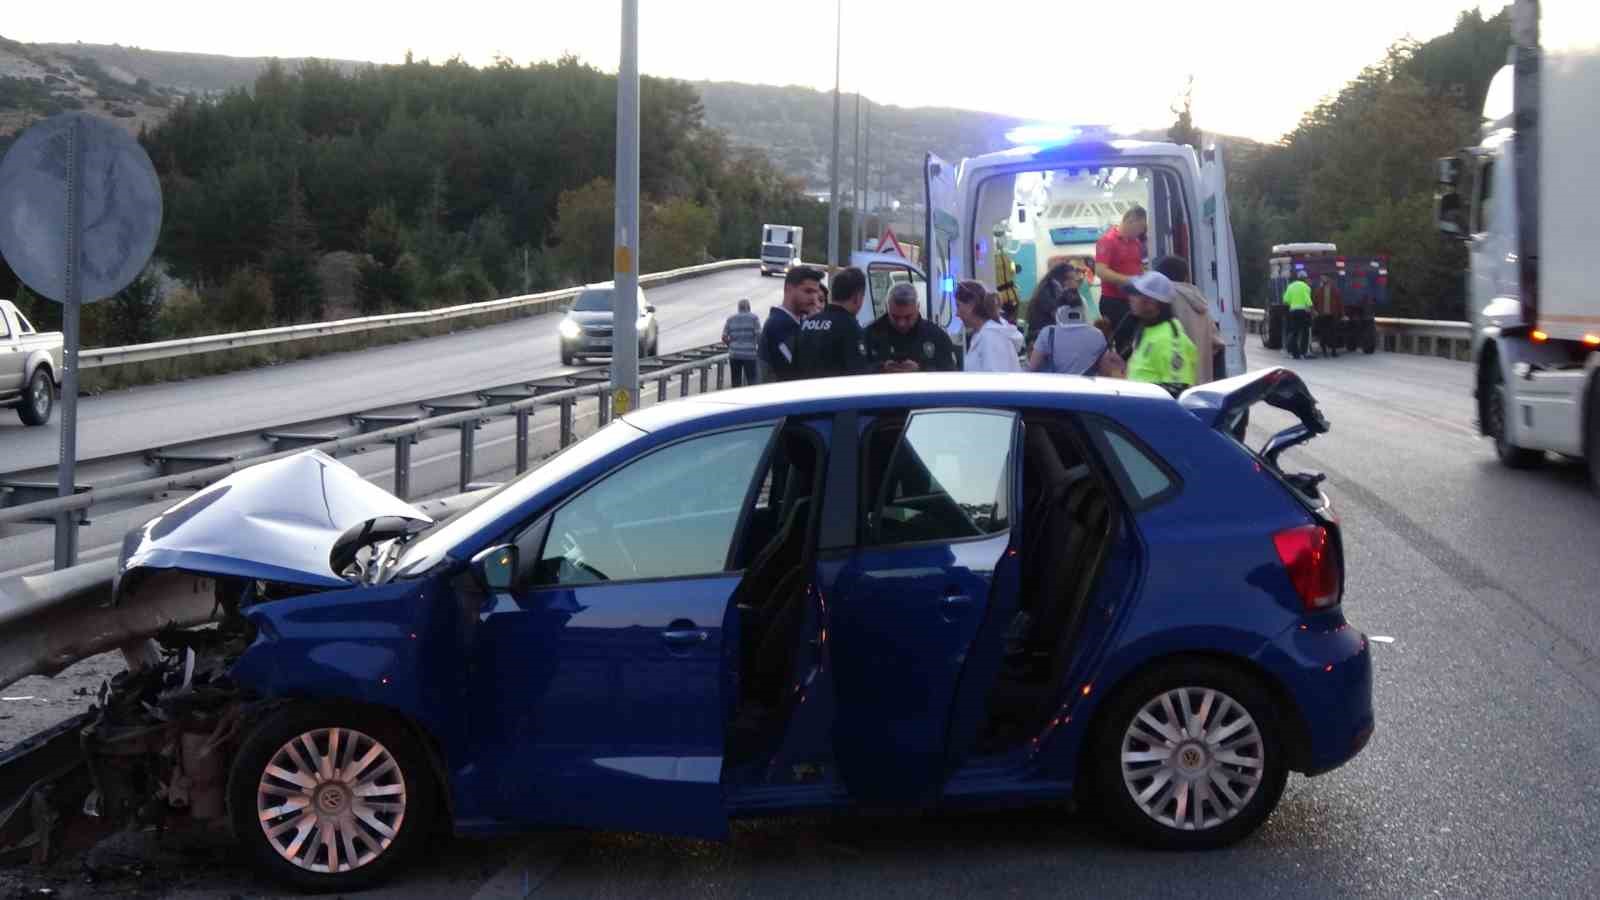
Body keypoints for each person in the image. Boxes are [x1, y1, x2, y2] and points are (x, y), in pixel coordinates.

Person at [1123, 271, 1198, 392]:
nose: (1130, 298)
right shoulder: (1147, 330)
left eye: (1136, 294)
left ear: (1152, 303)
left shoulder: (1170, 339)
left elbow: (1177, 390)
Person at [1153, 255, 1221, 384]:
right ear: (1185, 277)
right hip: (1201, 384)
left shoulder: (1163, 300)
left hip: (1174, 383)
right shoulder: (1201, 302)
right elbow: (1216, 343)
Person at [793, 266, 869, 378]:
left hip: (804, 393)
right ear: (857, 297)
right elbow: (858, 374)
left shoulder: (807, 323)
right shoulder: (850, 328)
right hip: (833, 393)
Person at [865, 282, 959, 373]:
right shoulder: (871, 334)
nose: (901, 323)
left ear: (918, 307)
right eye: (895, 317)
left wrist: (922, 369)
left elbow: (950, 373)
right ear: (887, 307)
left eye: (908, 317)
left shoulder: (936, 336)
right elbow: (856, 370)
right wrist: (880, 369)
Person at [1027, 293, 1124, 377]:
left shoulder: (1048, 333)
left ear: (1058, 311)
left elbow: (1032, 369)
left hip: (1056, 394)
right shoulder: (1097, 335)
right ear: (1083, 309)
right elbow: (1105, 372)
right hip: (1086, 393)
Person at [1095, 206, 1148, 354]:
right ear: (1131, 220)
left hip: (1133, 300)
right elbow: (1101, 271)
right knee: (1124, 346)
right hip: (1114, 302)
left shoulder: (1136, 243)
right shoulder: (1107, 241)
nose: (1142, 231)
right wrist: (1130, 281)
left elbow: (1137, 267)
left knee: (1136, 342)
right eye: (1141, 227)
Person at [759, 266, 823, 382]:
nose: (814, 298)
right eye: (808, 291)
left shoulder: (799, 322)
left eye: (816, 293)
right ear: (788, 289)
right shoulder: (778, 325)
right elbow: (801, 369)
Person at [955, 280, 1024, 372]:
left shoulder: (991, 337)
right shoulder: (984, 334)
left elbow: (995, 381)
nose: (957, 314)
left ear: (971, 305)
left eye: (958, 306)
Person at [1025, 262, 1072, 349]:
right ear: (1062, 277)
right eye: (1069, 279)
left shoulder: (1050, 288)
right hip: (1040, 336)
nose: (1071, 282)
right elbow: (1058, 315)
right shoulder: (1047, 290)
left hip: (1045, 334)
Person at [721, 298, 762, 387]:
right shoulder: (754, 318)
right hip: (750, 354)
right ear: (749, 307)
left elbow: (724, 337)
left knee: (736, 381)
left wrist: (731, 345)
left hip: (734, 355)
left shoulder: (730, 319)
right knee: (752, 381)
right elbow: (759, 336)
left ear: (738, 308)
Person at [1282, 272, 1313, 360]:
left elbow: (1285, 300)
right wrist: (1312, 310)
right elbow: (1308, 301)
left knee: (1294, 332)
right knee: (1305, 333)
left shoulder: (1290, 286)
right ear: (1305, 278)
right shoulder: (1306, 287)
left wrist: (1293, 303)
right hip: (1303, 312)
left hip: (1293, 312)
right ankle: (1303, 353)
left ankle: (1294, 353)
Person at [1313, 273, 1344, 357]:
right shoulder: (1319, 290)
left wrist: (1341, 314)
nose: (1322, 279)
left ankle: (1333, 351)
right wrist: (1315, 311)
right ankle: (1325, 351)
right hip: (1322, 315)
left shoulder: (1334, 290)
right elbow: (1315, 302)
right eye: (1321, 278)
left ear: (1328, 278)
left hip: (1332, 314)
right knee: (1324, 333)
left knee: (1332, 333)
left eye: (1323, 278)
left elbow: (1339, 302)